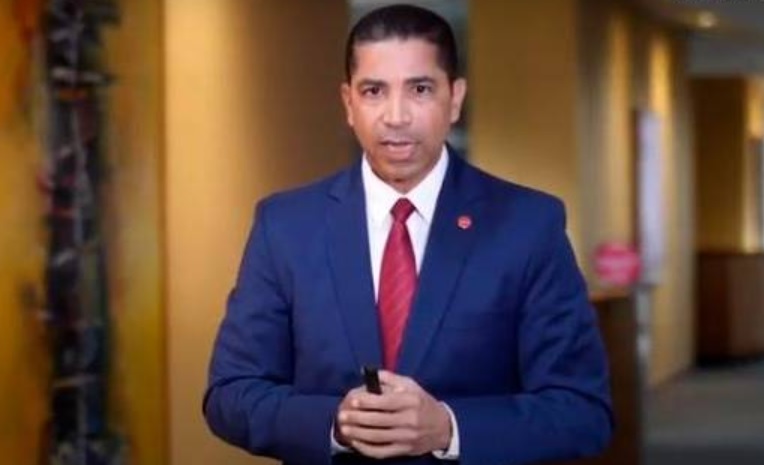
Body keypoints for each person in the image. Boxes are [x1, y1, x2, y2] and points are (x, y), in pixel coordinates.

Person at [203, 4, 613, 465]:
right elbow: (231, 394)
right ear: (349, 103)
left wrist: (448, 428)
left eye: (420, 89)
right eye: (374, 91)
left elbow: (582, 411)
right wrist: (335, 424)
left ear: (455, 99)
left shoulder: (528, 225)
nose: (396, 116)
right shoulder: (285, 226)